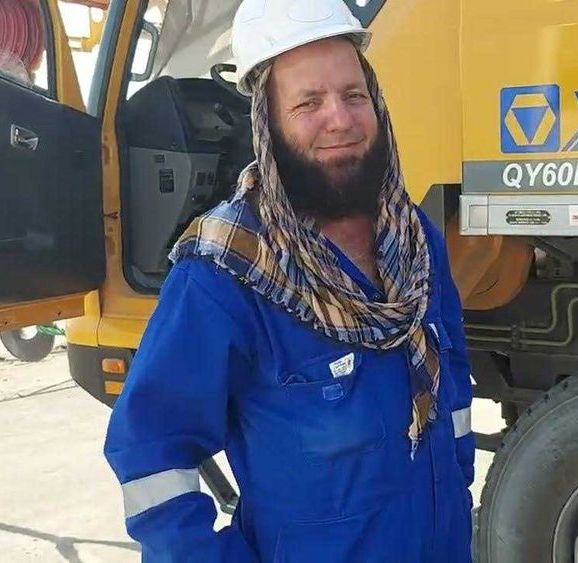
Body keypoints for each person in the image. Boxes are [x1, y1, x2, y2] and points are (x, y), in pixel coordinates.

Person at [103, 1, 474, 561]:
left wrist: (456, 500)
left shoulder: (415, 239)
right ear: (269, 123)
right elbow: (152, 454)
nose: (341, 119)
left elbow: (454, 397)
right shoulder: (224, 273)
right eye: (308, 102)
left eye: (354, 95)